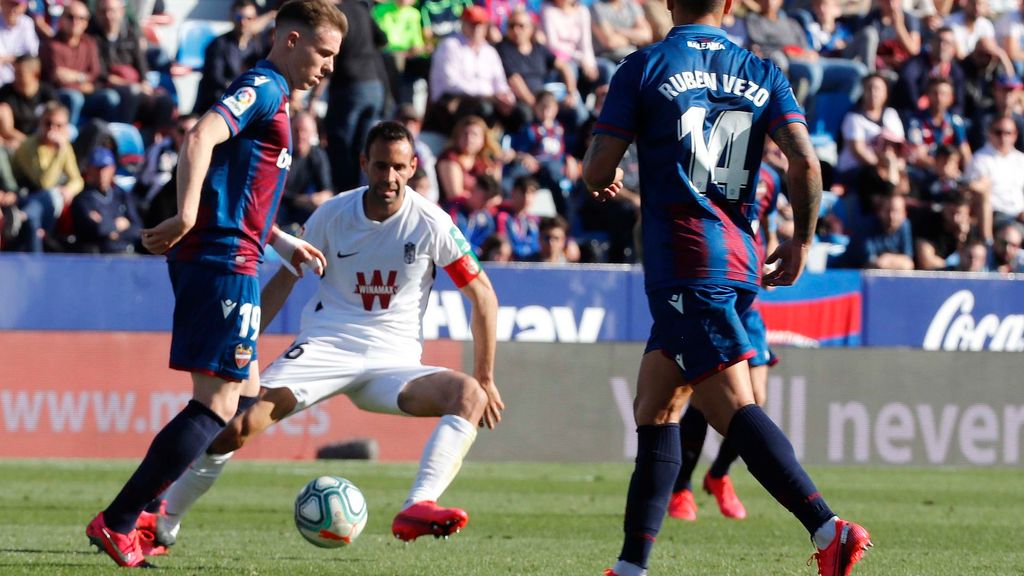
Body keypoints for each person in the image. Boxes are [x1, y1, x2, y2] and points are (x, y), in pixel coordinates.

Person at [581, 0, 871, 574]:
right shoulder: (763, 71)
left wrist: (605, 174)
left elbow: (595, 170)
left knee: (734, 405)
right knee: (657, 407)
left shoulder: (644, 66)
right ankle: (631, 566)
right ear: (731, 6)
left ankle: (828, 527)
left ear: (667, 2)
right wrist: (803, 241)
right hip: (738, 259)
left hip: (685, 260)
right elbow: (806, 166)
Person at [147, 121, 503, 549]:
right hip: (325, 348)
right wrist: (240, 341)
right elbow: (285, 280)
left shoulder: (431, 223)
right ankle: (165, 519)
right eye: (379, 166)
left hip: (395, 364)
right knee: (236, 427)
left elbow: (482, 295)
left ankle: (418, 505)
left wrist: (485, 376)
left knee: (469, 396)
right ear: (363, 165)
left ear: (412, 168)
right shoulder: (333, 214)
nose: (387, 178)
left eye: (397, 168)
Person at [84, 1, 347, 568]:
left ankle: (144, 508)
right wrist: (183, 216)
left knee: (242, 395)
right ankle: (121, 520)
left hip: (240, 253)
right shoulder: (264, 87)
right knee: (219, 402)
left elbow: (239, 184)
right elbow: (200, 136)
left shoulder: (275, 97)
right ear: (293, 39)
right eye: (324, 53)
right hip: (222, 259)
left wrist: (278, 240)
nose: (328, 66)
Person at [11, 101, 82, 252]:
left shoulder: (64, 146)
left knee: (53, 196)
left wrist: (69, 190)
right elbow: (44, 183)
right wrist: (59, 152)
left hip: (50, 203)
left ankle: (22, 217)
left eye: (59, 125)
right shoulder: (29, 146)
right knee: (45, 201)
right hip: (26, 196)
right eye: (48, 123)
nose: (52, 129)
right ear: (40, 123)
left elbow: (77, 180)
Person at [193, 0, 271, 114]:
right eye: (239, 17)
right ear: (231, 17)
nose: (243, 22)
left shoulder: (258, 47)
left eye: (249, 18)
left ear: (255, 19)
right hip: (217, 106)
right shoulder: (218, 44)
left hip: (246, 103)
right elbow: (215, 79)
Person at [70, 145, 141, 253]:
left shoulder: (121, 194)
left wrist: (111, 230)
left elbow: (137, 229)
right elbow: (97, 229)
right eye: (97, 169)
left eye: (105, 168)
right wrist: (118, 224)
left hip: (125, 252)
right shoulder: (82, 199)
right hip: (95, 257)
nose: (101, 174)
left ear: (112, 169)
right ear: (89, 170)